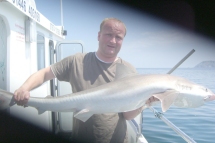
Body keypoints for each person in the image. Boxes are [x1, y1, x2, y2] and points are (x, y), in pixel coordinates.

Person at [14, 18, 156, 143]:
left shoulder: (128, 70)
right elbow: (44, 74)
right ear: (99, 36)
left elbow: (127, 115)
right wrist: (24, 88)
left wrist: (144, 102)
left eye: (118, 37)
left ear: (122, 41)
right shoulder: (77, 61)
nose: (113, 41)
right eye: (108, 35)